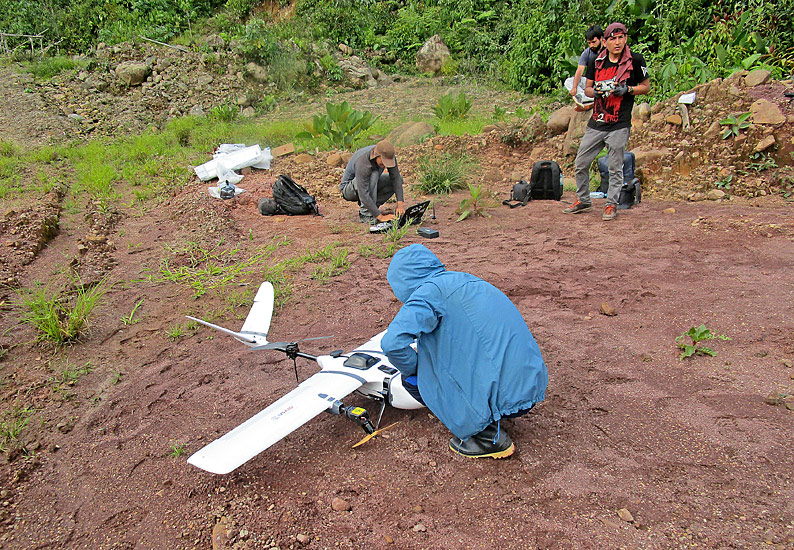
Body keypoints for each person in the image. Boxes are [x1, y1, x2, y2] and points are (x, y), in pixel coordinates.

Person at [381, 244, 548, 459]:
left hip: (508, 395)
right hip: (531, 384)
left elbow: (392, 343)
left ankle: (486, 437)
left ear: (401, 283)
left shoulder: (428, 294)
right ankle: (495, 410)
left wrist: (416, 368)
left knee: (412, 380)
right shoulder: (466, 280)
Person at [563, 22, 650, 221]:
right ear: (606, 41)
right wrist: (599, 91)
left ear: (626, 38)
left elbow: (645, 87)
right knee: (581, 163)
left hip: (619, 122)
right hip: (597, 121)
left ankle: (611, 204)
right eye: (613, 39)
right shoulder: (597, 61)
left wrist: (627, 89)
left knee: (615, 167)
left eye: (621, 38)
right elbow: (588, 90)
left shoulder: (635, 60)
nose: (618, 42)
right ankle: (583, 200)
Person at [340, 140, 406, 224]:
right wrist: (381, 217)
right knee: (374, 174)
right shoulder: (363, 162)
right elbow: (363, 193)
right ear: (376, 156)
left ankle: (372, 207)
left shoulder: (387, 153)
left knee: (398, 179)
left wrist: (400, 204)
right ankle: (366, 215)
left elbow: (396, 179)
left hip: (368, 184)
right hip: (349, 189)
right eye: (383, 163)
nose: (385, 165)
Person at [569, 25, 604, 110]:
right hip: (592, 84)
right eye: (589, 43)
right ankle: (586, 100)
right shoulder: (587, 53)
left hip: (605, 83)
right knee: (569, 81)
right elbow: (580, 71)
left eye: (594, 42)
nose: (591, 45)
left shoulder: (609, 51)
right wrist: (574, 87)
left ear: (601, 39)